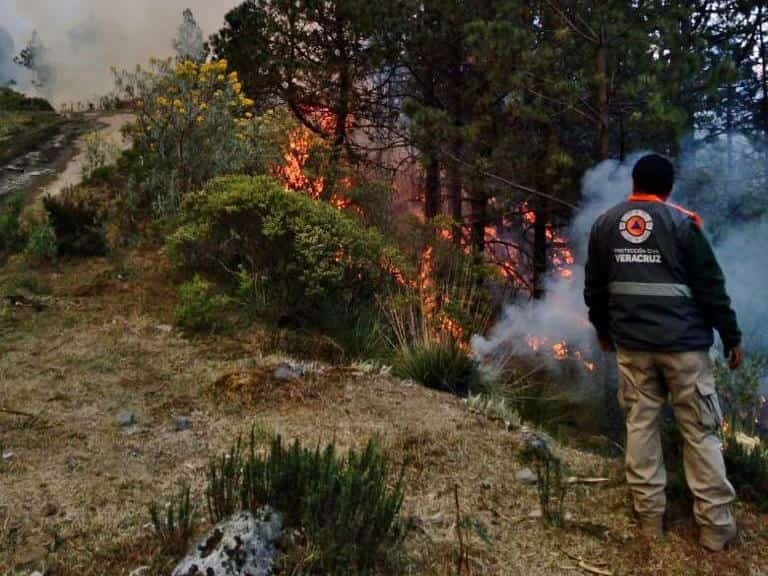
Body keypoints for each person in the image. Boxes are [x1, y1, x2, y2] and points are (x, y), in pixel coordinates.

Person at [584, 154, 742, 552]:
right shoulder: (684, 224)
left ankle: (649, 520)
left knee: (640, 425)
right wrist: (730, 335)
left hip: (634, 347)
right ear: (668, 188)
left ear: (633, 183)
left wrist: (604, 331)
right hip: (685, 348)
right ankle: (715, 530)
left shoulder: (604, 225)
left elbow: (595, 290)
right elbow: (711, 287)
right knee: (700, 433)